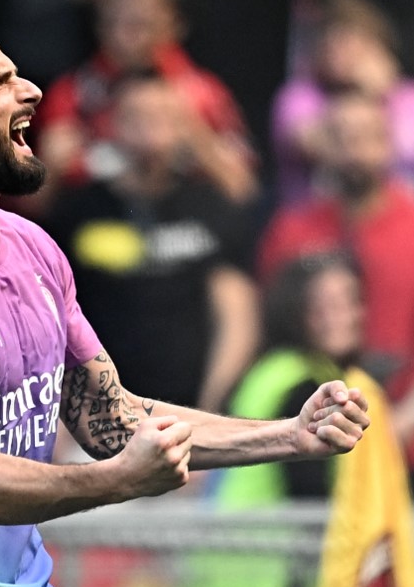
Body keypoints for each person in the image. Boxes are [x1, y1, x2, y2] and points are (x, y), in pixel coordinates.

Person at [0, 0, 370, 587]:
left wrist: (286, 435)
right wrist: (117, 483)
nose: (30, 91)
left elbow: (111, 419)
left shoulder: (34, 249)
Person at [182, 253, 414, 587]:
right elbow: (312, 491)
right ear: (295, 312)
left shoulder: (269, 371)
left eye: (350, 300)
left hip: (234, 578)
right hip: (269, 586)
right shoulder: (307, 385)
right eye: (324, 306)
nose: (343, 315)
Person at [259, 91, 414, 504]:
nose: (354, 151)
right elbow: (274, 339)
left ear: (389, 144)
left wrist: (404, 422)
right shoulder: (290, 233)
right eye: (341, 137)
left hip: (411, 447)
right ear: (322, 146)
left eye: (367, 137)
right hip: (309, 448)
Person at [44, 73, 261, 414]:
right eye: (137, 116)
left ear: (184, 126)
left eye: (163, 116)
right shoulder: (78, 209)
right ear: (112, 125)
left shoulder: (210, 204)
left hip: (193, 411)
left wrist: (212, 411)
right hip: (95, 417)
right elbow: (48, 315)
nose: (149, 127)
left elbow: (236, 313)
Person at [36, 0, 257, 204]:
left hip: (187, 230)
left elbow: (243, 190)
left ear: (175, 26)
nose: (123, 39)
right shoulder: (73, 95)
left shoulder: (204, 93)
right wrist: (52, 167)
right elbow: (35, 205)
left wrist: (193, 132)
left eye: (140, 25)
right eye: (111, 23)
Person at [271, 0, 414, 206]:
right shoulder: (300, 97)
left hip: (411, 223)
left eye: (347, 38)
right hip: (320, 227)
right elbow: (317, 145)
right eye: (328, 37)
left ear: (377, 45)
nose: (335, 47)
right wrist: (366, 94)